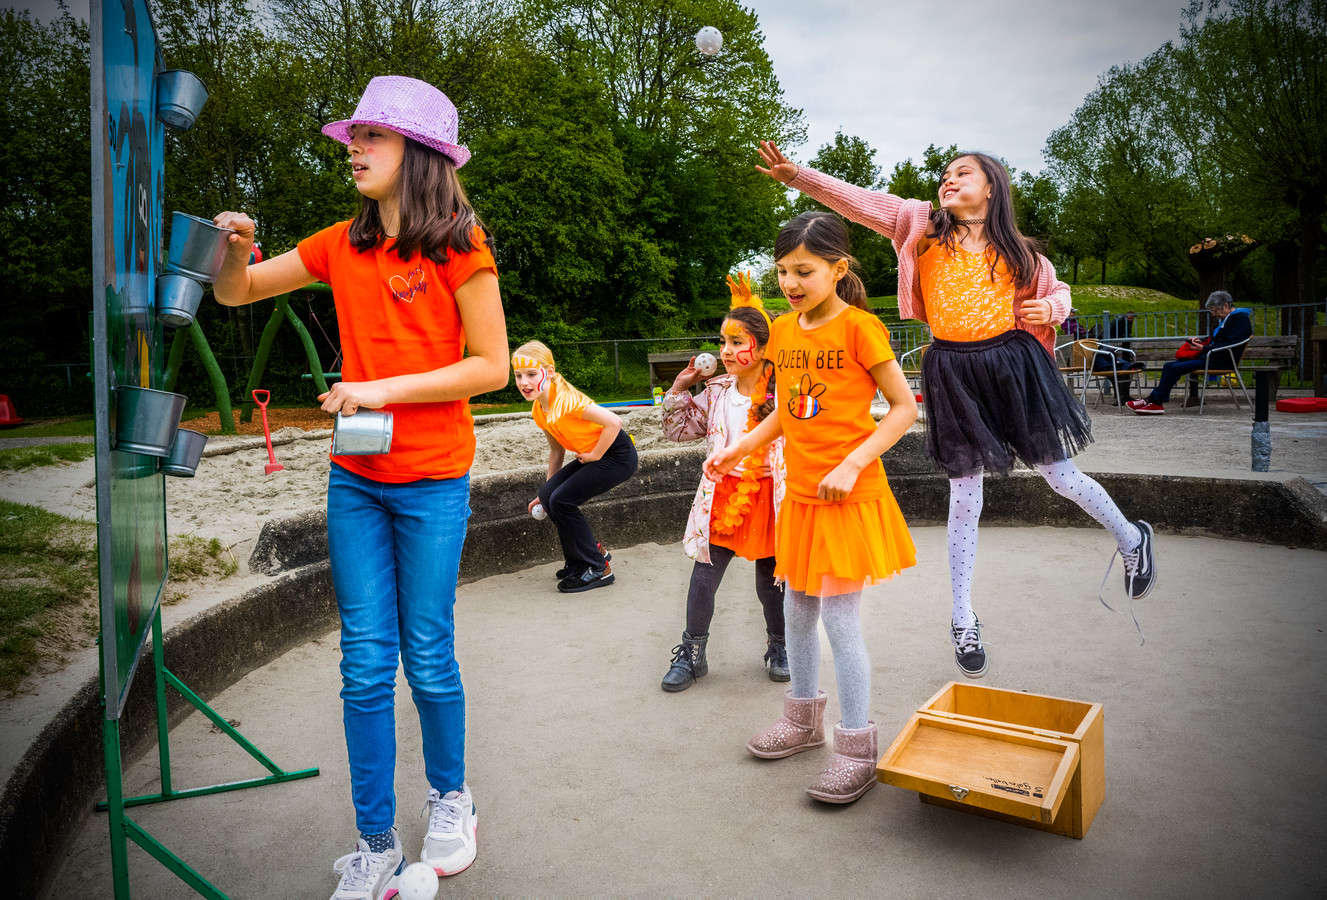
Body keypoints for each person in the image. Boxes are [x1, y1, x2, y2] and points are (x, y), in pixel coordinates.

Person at [211, 76, 508, 900]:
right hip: (357, 480)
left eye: (373, 136)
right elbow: (235, 292)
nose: (355, 147)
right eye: (355, 135)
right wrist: (236, 248)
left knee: (429, 657)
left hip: (433, 480)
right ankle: (375, 842)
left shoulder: (460, 244)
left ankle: (452, 800)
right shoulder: (337, 245)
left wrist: (382, 389)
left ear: (419, 154)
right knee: (364, 665)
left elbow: (490, 367)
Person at [755, 142, 1156, 678]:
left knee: (1059, 474)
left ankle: (1132, 539)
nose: (948, 179)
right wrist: (799, 177)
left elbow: (1058, 293)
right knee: (965, 493)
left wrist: (1051, 306)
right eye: (944, 173)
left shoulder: (1023, 254)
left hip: (1012, 365)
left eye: (962, 172)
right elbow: (859, 202)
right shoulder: (919, 226)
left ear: (992, 186)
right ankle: (962, 617)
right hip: (952, 370)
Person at [705, 211, 918, 804]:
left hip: (848, 497)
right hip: (799, 496)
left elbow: (904, 409)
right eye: (783, 271)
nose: (791, 282)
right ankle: (802, 724)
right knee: (797, 610)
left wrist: (850, 464)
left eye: (804, 270)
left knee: (841, 621)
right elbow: (787, 408)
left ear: (838, 268)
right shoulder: (783, 330)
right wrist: (741, 447)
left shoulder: (861, 329)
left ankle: (857, 747)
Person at [659, 273, 788, 691]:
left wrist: (782, 466)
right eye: (723, 342)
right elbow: (679, 431)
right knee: (704, 577)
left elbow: (809, 439)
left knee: (771, 582)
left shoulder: (784, 393)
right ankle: (692, 653)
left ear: (764, 348)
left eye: (737, 342)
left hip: (769, 497)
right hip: (722, 494)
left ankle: (780, 645)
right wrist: (680, 388)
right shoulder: (715, 391)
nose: (725, 351)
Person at [513, 341, 639, 592]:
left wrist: (595, 455)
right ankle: (578, 561)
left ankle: (597, 566)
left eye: (531, 374)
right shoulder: (539, 409)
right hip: (595, 454)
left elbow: (614, 422)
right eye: (518, 376)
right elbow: (556, 449)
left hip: (616, 455)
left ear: (548, 372)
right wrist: (544, 490)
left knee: (562, 501)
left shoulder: (567, 401)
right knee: (550, 497)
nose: (524, 382)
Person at [1127, 291, 1252, 415]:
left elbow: (1230, 343)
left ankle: (1154, 401)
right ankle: (1155, 401)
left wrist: (1204, 348)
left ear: (1225, 305)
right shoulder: (1226, 319)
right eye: (1212, 311)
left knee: (1176, 368)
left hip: (1221, 361)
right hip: (1211, 357)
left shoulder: (1240, 319)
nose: (1214, 314)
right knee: (1168, 366)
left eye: (1215, 311)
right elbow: (1215, 339)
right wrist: (1200, 341)